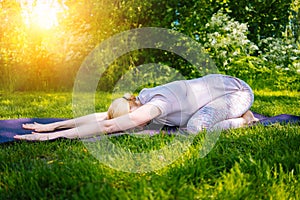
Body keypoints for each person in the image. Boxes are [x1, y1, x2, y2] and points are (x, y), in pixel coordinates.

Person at [14, 74, 258, 141]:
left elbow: (109, 125)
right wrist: (53, 125)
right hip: (216, 86)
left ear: (133, 105)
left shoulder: (156, 105)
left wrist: (55, 137)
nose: (134, 124)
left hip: (236, 92)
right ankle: (237, 113)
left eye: (132, 118)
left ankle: (244, 118)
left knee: (195, 128)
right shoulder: (140, 97)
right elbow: (107, 116)